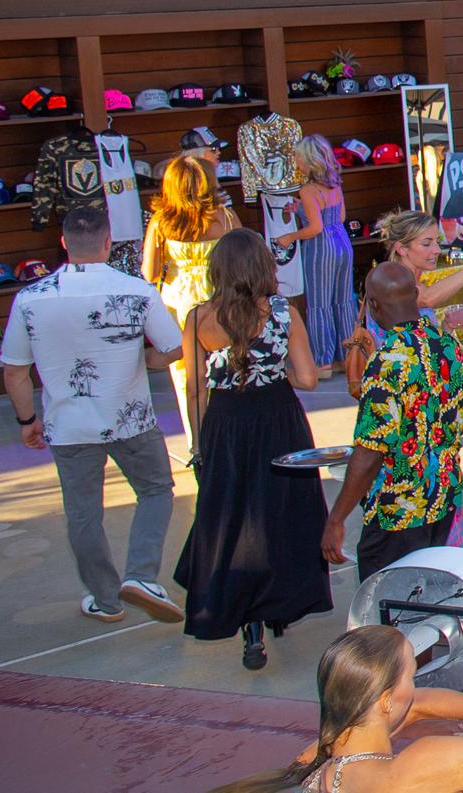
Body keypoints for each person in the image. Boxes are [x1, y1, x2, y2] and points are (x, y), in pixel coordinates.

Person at [0, 208, 186, 626]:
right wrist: (140, 358)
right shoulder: (138, 291)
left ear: (63, 243)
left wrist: (27, 421)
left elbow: (14, 370)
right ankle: (141, 576)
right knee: (155, 490)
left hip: (67, 425)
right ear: (108, 243)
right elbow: (174, 348)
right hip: (129, 417)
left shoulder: (29, 298)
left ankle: (105, 600)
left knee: (84, 514)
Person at [172, 228, 327, 670]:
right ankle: (278, 603)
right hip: (277, 418)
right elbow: (310, 378)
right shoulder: (283, 313)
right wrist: (274, 373)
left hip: (225, 424)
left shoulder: (198, 317)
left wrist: (202, 448)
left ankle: (249, 624)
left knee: (234, 516)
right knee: (282, 512)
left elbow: (194, 389)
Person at [208, 625, 463, 793]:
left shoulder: (320, 759)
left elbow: (417, 706)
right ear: (384, 700)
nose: (419, 686)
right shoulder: (427, 762)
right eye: (413, 675)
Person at [322, 261, 463, 580]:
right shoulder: (449, 347)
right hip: (442, 498)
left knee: (390, 609)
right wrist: (428, 436)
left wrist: (336, 519)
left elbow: (369, 454)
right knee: (426, 600)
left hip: (398, 510)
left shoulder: (386, 364)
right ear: (416, 294)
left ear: (374, 306)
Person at [143, 156, 240, 461]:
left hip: (180, 307)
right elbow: (243, 260)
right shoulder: (225, 218)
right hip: (221, 302)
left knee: (188, 379)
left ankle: (199, 447)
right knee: (229, 370)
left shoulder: (161, 222)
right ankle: (233, 440)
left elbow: (149, 273)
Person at [276, 135, 353, 372]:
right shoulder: (335, 184)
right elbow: (338, 218)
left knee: (319, 303)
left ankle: (322, 360)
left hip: (321, 247)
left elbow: (315, 228)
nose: (296, 159)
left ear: (309, 160)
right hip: (342, 242)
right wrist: (301, 209)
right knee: (343, 301)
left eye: (298, 155)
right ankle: (346, 356)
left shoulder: (308, 190)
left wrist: (289, 237)